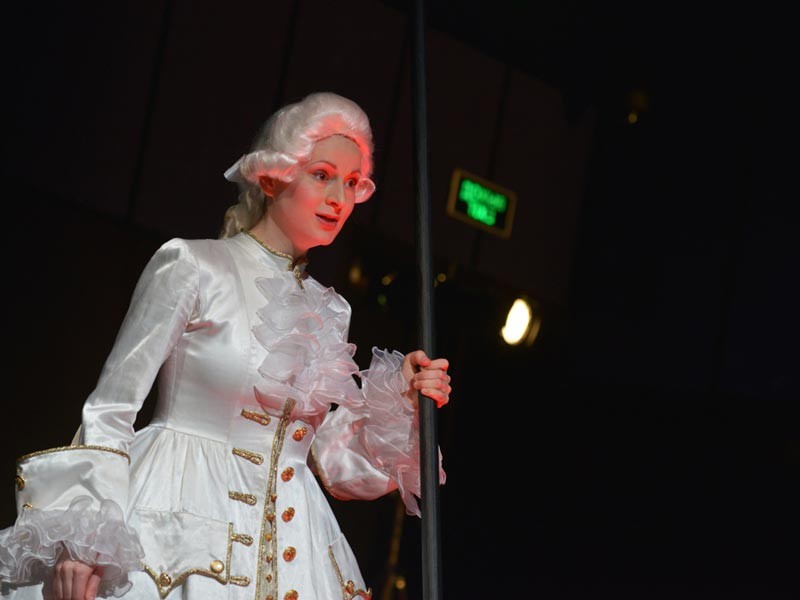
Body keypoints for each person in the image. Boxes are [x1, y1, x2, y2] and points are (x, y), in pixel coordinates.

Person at [0, 91, 451, 600]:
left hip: (297, 547)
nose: (339, 199)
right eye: (322, 175)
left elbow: (323, 459)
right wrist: (86, 538)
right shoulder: (194, 266)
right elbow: (111, 409)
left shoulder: (332, 309)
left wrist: (396, 399)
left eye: (351, 183)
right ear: (272, 177)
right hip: (182, 524)